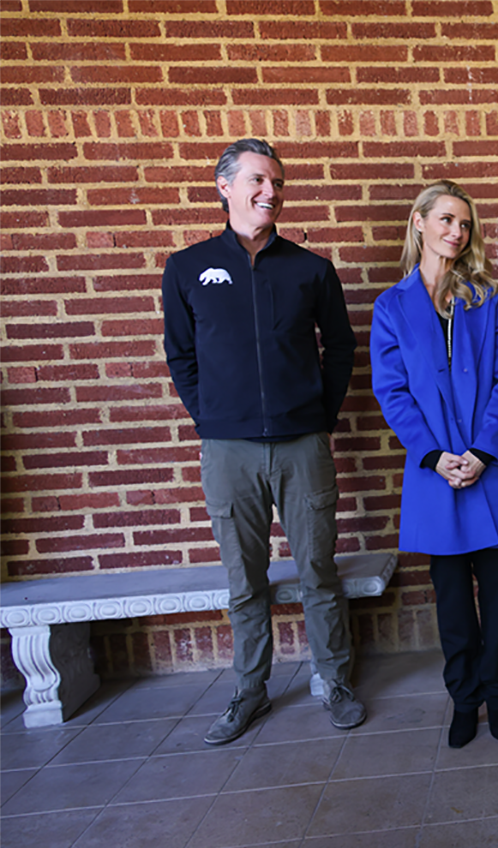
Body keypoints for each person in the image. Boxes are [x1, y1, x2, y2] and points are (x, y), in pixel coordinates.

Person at [163, 138, 364, 745]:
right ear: (224, 186)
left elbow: (342, 348)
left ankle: (334, 680)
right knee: (244, 580)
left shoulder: (310, 268)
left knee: (318, 572)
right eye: (257, 180)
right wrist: (210, 418)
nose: (270, 193)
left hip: (303, 445)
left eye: (276, 182)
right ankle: (250, 690)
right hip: (227, 452)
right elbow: (181, 355)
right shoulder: (187, 268)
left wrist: (319, 416)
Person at [370, 181, 498, 749]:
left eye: (464, 224)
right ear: (419, 223)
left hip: (489, 469)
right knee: (451, 604)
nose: (456, 232)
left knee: (495, 600)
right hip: (433, 475)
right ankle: (464, 700)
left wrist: (481, 452)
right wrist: (436, 455)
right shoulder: (391, 307)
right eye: (445, 220)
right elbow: (392, 392)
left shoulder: (486, 297)